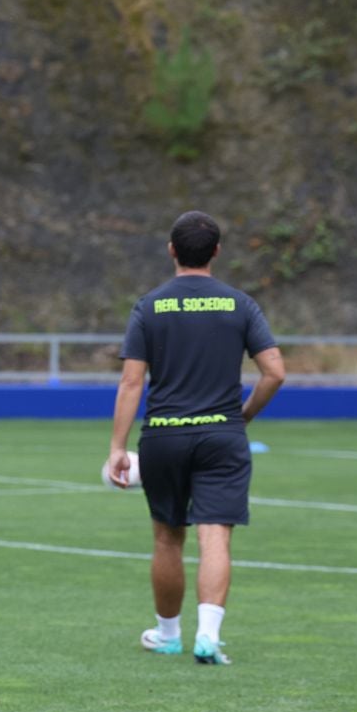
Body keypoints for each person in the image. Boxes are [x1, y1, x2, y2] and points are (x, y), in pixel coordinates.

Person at [107, 210, 286, 666]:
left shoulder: (150, 306)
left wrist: (116, 448)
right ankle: (209, 636)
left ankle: (168, 635)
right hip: (221, 434)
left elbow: (131, 383)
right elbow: (274, 373)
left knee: (168, 538)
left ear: (171, 250)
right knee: (215, 537)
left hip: (163, 436)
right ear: (217, 252)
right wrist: (244, 415)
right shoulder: (240, 305)